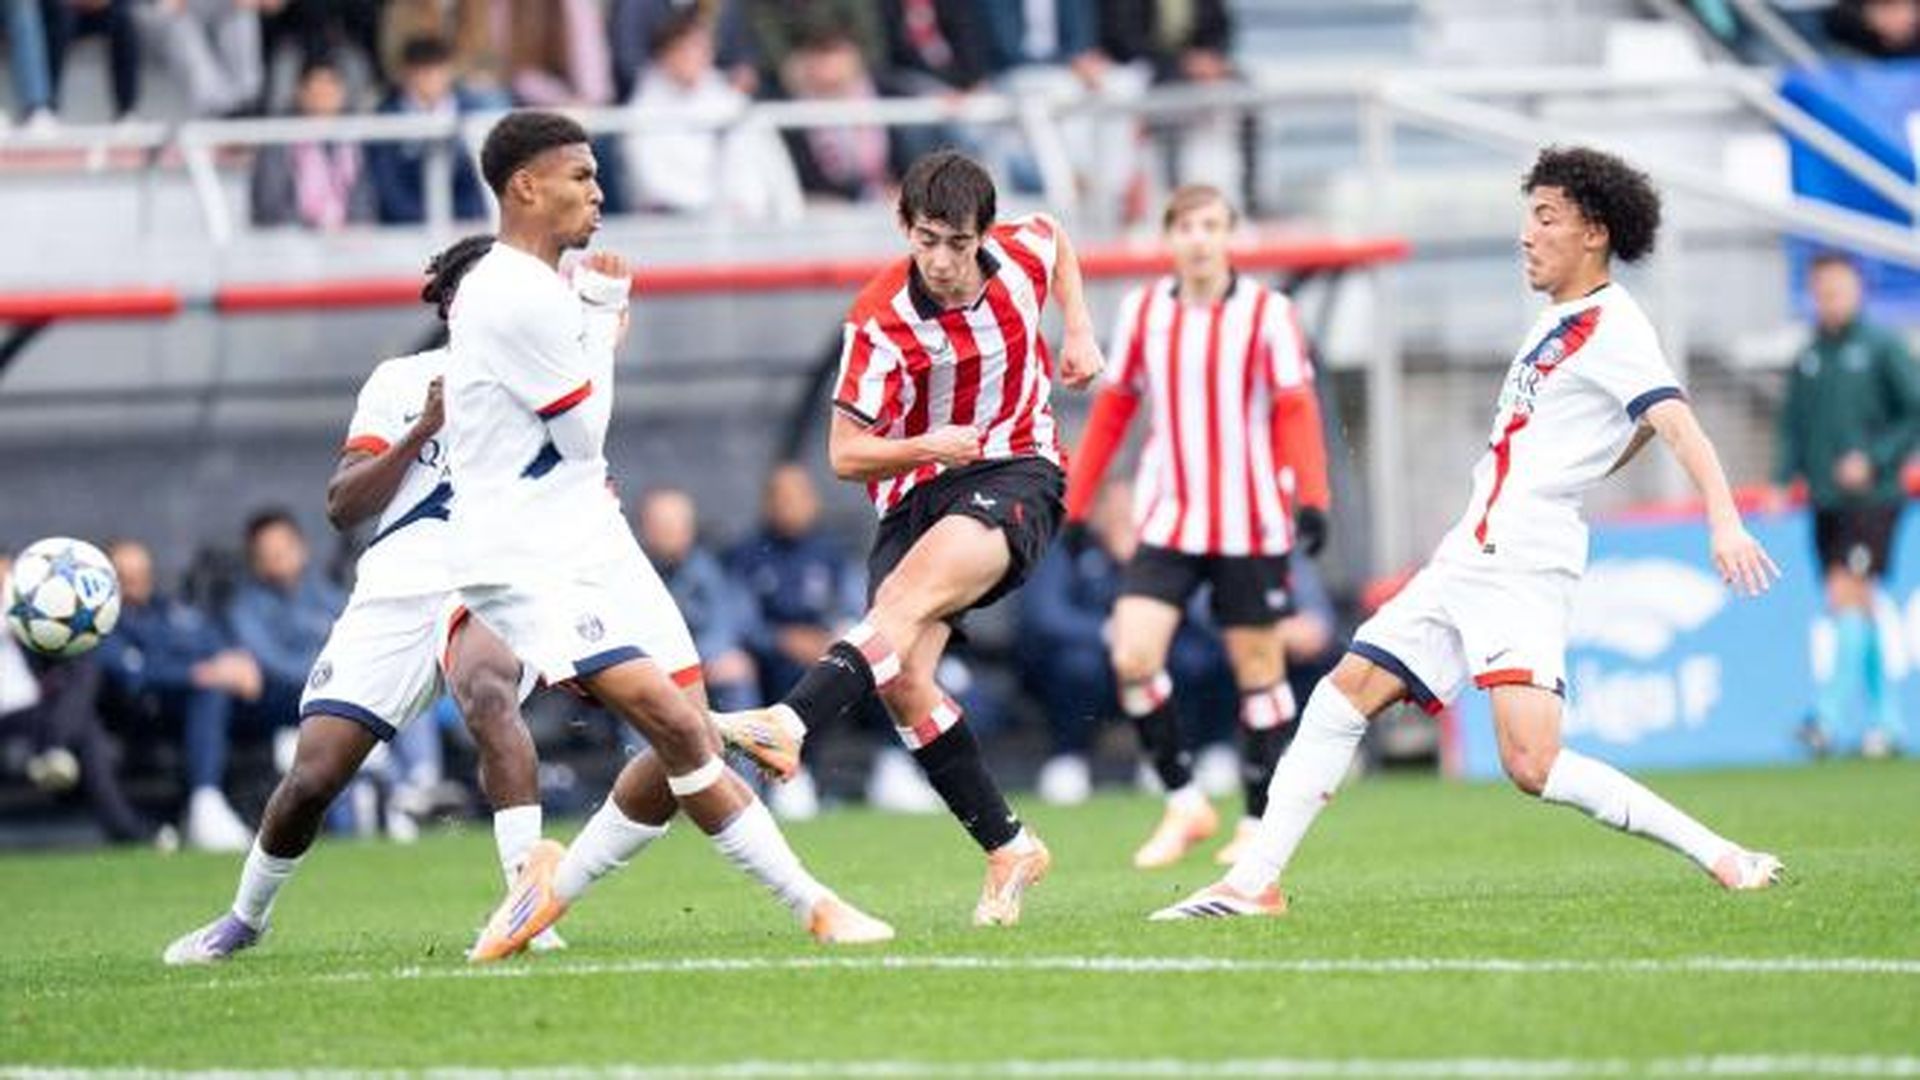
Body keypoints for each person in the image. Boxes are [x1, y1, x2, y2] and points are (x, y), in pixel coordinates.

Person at [1154, 146, 1787, 920]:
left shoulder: (1615, 325)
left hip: (1523, 563)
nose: (1527, 234)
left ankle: (1722, 855)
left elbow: (1675, 421)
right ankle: (1254, 883)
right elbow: (1632, 426)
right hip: (1471, 551)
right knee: (1342, 695)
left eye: (1546, 218)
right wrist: (1581, 461)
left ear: (1594, 232)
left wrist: (1723, 519)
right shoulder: (1559, 322)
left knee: (1531, 762)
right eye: (1528, 216)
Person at [447, 110, 890, 960]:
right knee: (680, 730)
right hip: (526, 556)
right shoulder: (509, 290)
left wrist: (591, 323)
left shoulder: (547, 289)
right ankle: (813, 904)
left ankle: (545, 898)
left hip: (590, 533)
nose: (597, 191)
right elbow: (584, 432)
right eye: (579, 175)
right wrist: (604, 318)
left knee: (676, 726)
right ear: (525, 186)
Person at [714, 148, 1105, 926]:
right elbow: (844, 454)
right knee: (900, 679)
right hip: (916, 490)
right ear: (905, 228)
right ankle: (1009, 844)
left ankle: (787, 722)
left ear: (984, 236)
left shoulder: (1017, 257)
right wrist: (929, 447)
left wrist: (1080, 334)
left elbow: (1055, 236)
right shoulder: (879, 321)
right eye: (927, 240)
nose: (944, 261)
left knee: (903, 598)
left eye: (959, 244)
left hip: (1016, 471)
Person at [158, 236, 565, 964]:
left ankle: (525, 905)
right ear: (454, 303)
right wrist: (426, 429)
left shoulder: (546, 379)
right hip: (397, 590)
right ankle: (245, 917)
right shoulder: (400, 381)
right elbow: (344, 505)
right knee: (313, 778)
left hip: (495, 575)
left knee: (488, 693)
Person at [1065, 184, 1332, 870]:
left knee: (1258, 670)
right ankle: (1185, 803)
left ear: (1230, 235)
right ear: (1169, 238)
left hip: (1250, 522)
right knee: (1132, 654)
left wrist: (1313, 496)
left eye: (1212, 225)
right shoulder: (1145, 311)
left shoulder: (1270, 314)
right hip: (1170, 518)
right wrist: (1077, 501)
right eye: (1186, 226)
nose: (1200, 239)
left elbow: (1296, 408)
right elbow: (1115, 409)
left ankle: (1256, 821)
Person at [1772, 252, 1920, 758]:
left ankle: (1826, 717)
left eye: (1838, 290)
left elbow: (1914, 410)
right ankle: (1888, 723)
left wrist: (1875, 458)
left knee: (1846, 591)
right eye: (1822, 291)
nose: (1830, 300)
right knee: (1856, 603)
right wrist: (1781, 478)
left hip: (1874, 498)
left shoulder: (1881, 347)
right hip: (1826, 501)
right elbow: (1793, 423)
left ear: (1856, 291)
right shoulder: (1810, 353)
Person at [1017, 479, 1235, 808]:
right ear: (1096, 511)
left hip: (1154, 656)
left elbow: (1197, 608)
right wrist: (1109, 632)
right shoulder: (1067, 545)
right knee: (1078, 666)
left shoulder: (1164, 550)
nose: (1125, 517)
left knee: (1196, 657)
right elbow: (1047, 615)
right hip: (1093, 662)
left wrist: (1136, 566)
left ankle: (1173, 753)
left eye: (1133, 509)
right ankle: (1068, 759)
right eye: (1116, 510)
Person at [95, 538, 261, 851]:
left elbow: (210, 643)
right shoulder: (102, 622)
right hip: (138, 714)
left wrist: (236, 662)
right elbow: (134, 674)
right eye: (126, 575)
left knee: (255, 687)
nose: (136, 581)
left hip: (200, 706)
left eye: (142, 572)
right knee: (209, 689)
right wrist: (197, 673)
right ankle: (205, 802)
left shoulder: (170, 610)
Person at [634, 486, 759, 713]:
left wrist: (707, 662)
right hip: (650, 672)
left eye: (678, 523)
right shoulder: (630, 574)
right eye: (662, 524)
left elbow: (725, 625)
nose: (671, 531)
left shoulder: (707, 568)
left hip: (701, 664)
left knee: (735, 669)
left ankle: (737, 749)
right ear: (645, 529)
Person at [366, 35, 491, 226]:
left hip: (463, 225)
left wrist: (460, 223)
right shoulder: (386, 116)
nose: (431, 79)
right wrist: (421, 223)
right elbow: (388, 186)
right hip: (405, 229)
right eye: (423, 72)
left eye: (437, 71)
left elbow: (479, 178)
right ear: (406, 74)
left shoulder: (470, 110)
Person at [248, 55, 377, 231]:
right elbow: (270, 205)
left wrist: (354, 228)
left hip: (351, 242)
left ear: (342, 93)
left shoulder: (356, 140)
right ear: (300, 93)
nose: (323, 97)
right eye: (316, 90)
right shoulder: (278, 141)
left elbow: (366, 197)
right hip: (295, 243)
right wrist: (315, 231)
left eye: (330, 90)